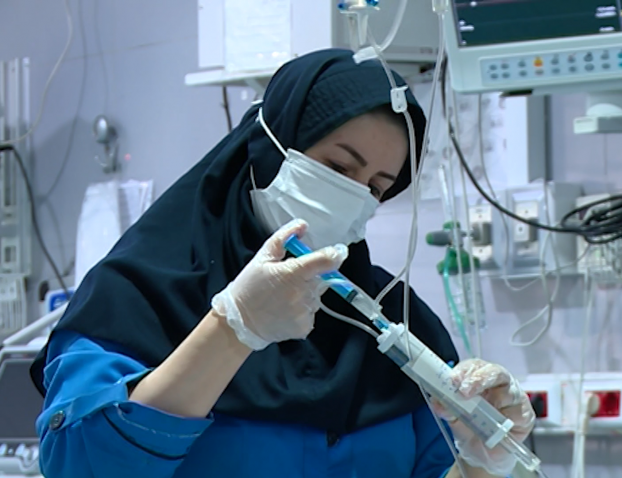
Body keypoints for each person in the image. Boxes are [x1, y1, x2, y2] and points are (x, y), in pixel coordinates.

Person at [29, 49, 534, 478]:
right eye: (337, 166)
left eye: (377, 188)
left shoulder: (391, 318)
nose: (354, 197)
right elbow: (79, 465)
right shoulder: (137, 300)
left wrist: (479, 462)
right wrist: (233, 329)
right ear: (270, 147)